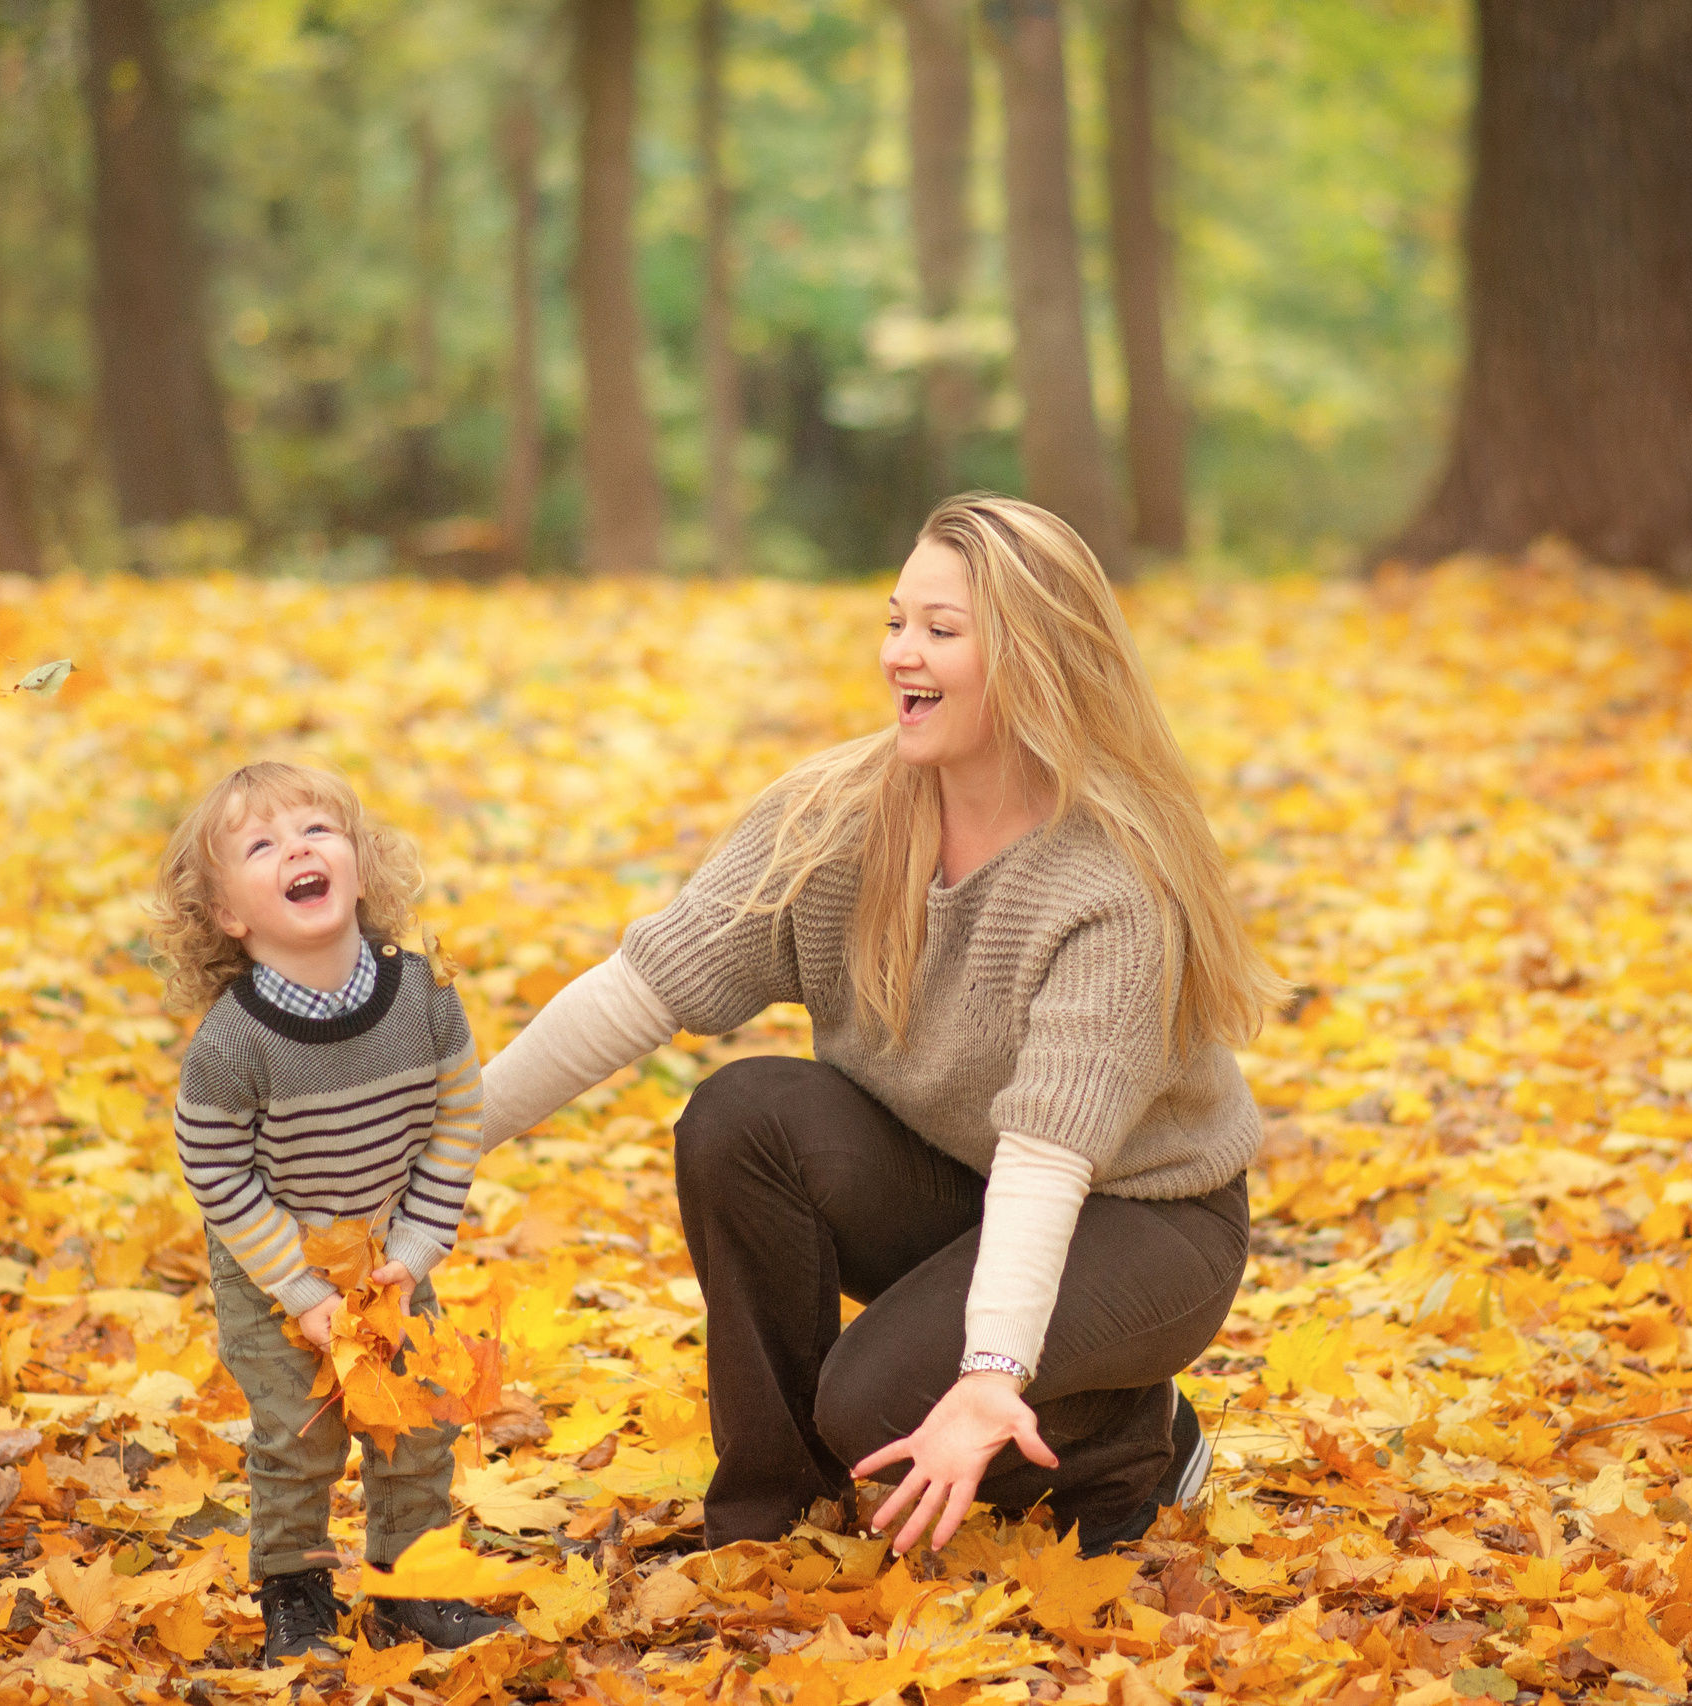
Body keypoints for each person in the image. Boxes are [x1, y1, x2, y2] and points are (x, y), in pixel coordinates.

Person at [480, 494, 1285, 1556]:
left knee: (875, 1406)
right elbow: (643, 985)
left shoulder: (1106, 887)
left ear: (1036, 656)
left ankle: (1127, 1431)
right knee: (741, 1113)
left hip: (1144, 1217)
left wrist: (990, 1372)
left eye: (941, 631)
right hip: (963, 1180)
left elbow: (1047, 1159)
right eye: (895, 619)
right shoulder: (837, 814)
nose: (901, 652)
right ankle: (770, 1513)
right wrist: (445, 1142)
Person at [146, 761, 517, 1664]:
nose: (297, 850)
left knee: (417, 1420)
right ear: (229, 913)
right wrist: (298, 1287)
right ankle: (297, 1594)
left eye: (317, 831)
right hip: (270, 1264)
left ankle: (410, 1588)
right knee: (299, 1435)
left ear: (360, 863)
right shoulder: (233, 1043)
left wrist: (423, 1240)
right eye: (262, 845)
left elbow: (458, 1114)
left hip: (387, 1252)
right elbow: (215, 1169)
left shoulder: (421, 995)